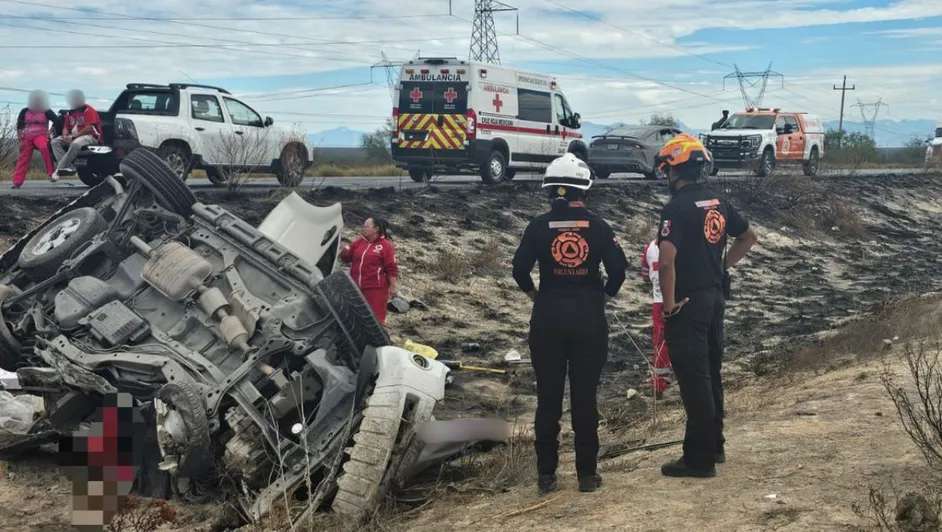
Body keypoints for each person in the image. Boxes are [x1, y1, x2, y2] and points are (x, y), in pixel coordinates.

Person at [512, 153, 628, 495]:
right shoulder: (599, 226)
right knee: (584, 398)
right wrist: (603, 295)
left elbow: (519, 270)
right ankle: (587, 475)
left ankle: (546, 476)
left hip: (547, 319)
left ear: (550, 191)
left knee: (547, 399)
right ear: (585, 190)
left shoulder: (537, 227)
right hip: (588, 320)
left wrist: (535, 295)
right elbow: (618, 271)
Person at [655, 134, 758, 478]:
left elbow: (666, 262)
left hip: (688, 303)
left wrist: (669, 306)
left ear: (675, 170)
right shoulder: (718, 201)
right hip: (714, 299)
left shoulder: (676, 208)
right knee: (712, 373)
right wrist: (721, 266)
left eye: (667, 169)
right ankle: (715, 445)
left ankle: (699, 459)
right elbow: (748, 237)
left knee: (694, 380)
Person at [340, 217, 398, 325]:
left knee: (375, 320)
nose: (363, 228)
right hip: (355, 287)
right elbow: (346, 258)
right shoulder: (359, 242)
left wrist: (393, 287)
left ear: (376, 229)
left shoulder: (386, 246)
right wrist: (344, 249)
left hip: (375, 289)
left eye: (366, 226)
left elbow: (391, 268)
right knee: (354, 318)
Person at [640, 238, 672, 395]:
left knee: (660, 341)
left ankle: (659, 381)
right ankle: (661, 381)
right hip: (678, 298)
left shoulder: (649, 247)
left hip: (658, 301)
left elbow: (645, 275)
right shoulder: (679, 243)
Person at [50, 89, 101, 182]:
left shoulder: (88, 110)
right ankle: (69, 167)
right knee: (55, 142)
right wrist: (65, 136)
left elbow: (89, 128)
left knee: (75, 144)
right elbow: (65, 127)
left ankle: (58, 170)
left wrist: (73, 137)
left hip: (90, 137)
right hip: (73, 136)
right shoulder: (70, 113)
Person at [11, 90, 56, 189]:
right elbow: (19, 125)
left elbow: (57, 120)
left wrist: (51, 131)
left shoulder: (46, 111)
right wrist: (19, 137)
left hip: (41, 135)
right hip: (27, 136)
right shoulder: (25, 111)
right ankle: (17, 182)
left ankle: (51, 173)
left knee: (44, 148)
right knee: (23, 158)